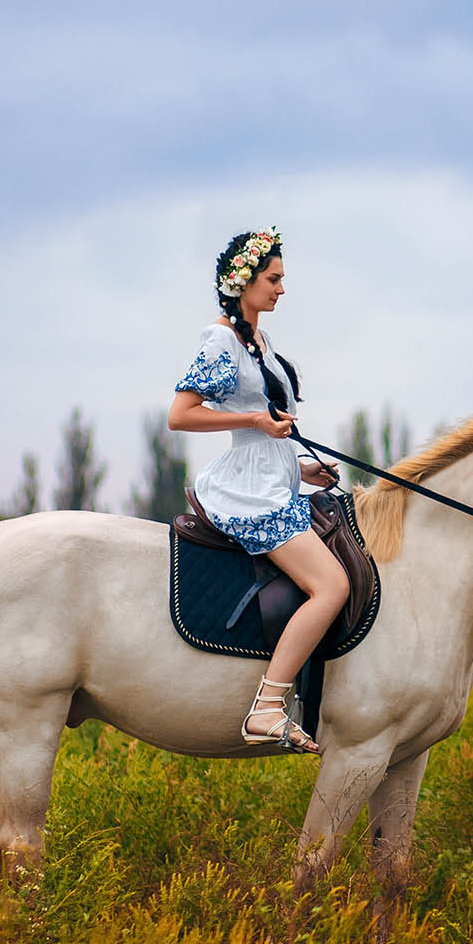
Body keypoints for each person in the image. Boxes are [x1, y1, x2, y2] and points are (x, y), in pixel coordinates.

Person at [168, 229, 346, 754]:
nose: (281, 289)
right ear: (243, 281)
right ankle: (268, 708)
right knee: (331, 586)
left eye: (282, 280)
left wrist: (303, 468)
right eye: (273, 279)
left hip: (278, 479)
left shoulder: (260, 343)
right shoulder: (221, 339)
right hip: (249, 492)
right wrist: (255, 419)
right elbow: (180, 415)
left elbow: (267, 433)